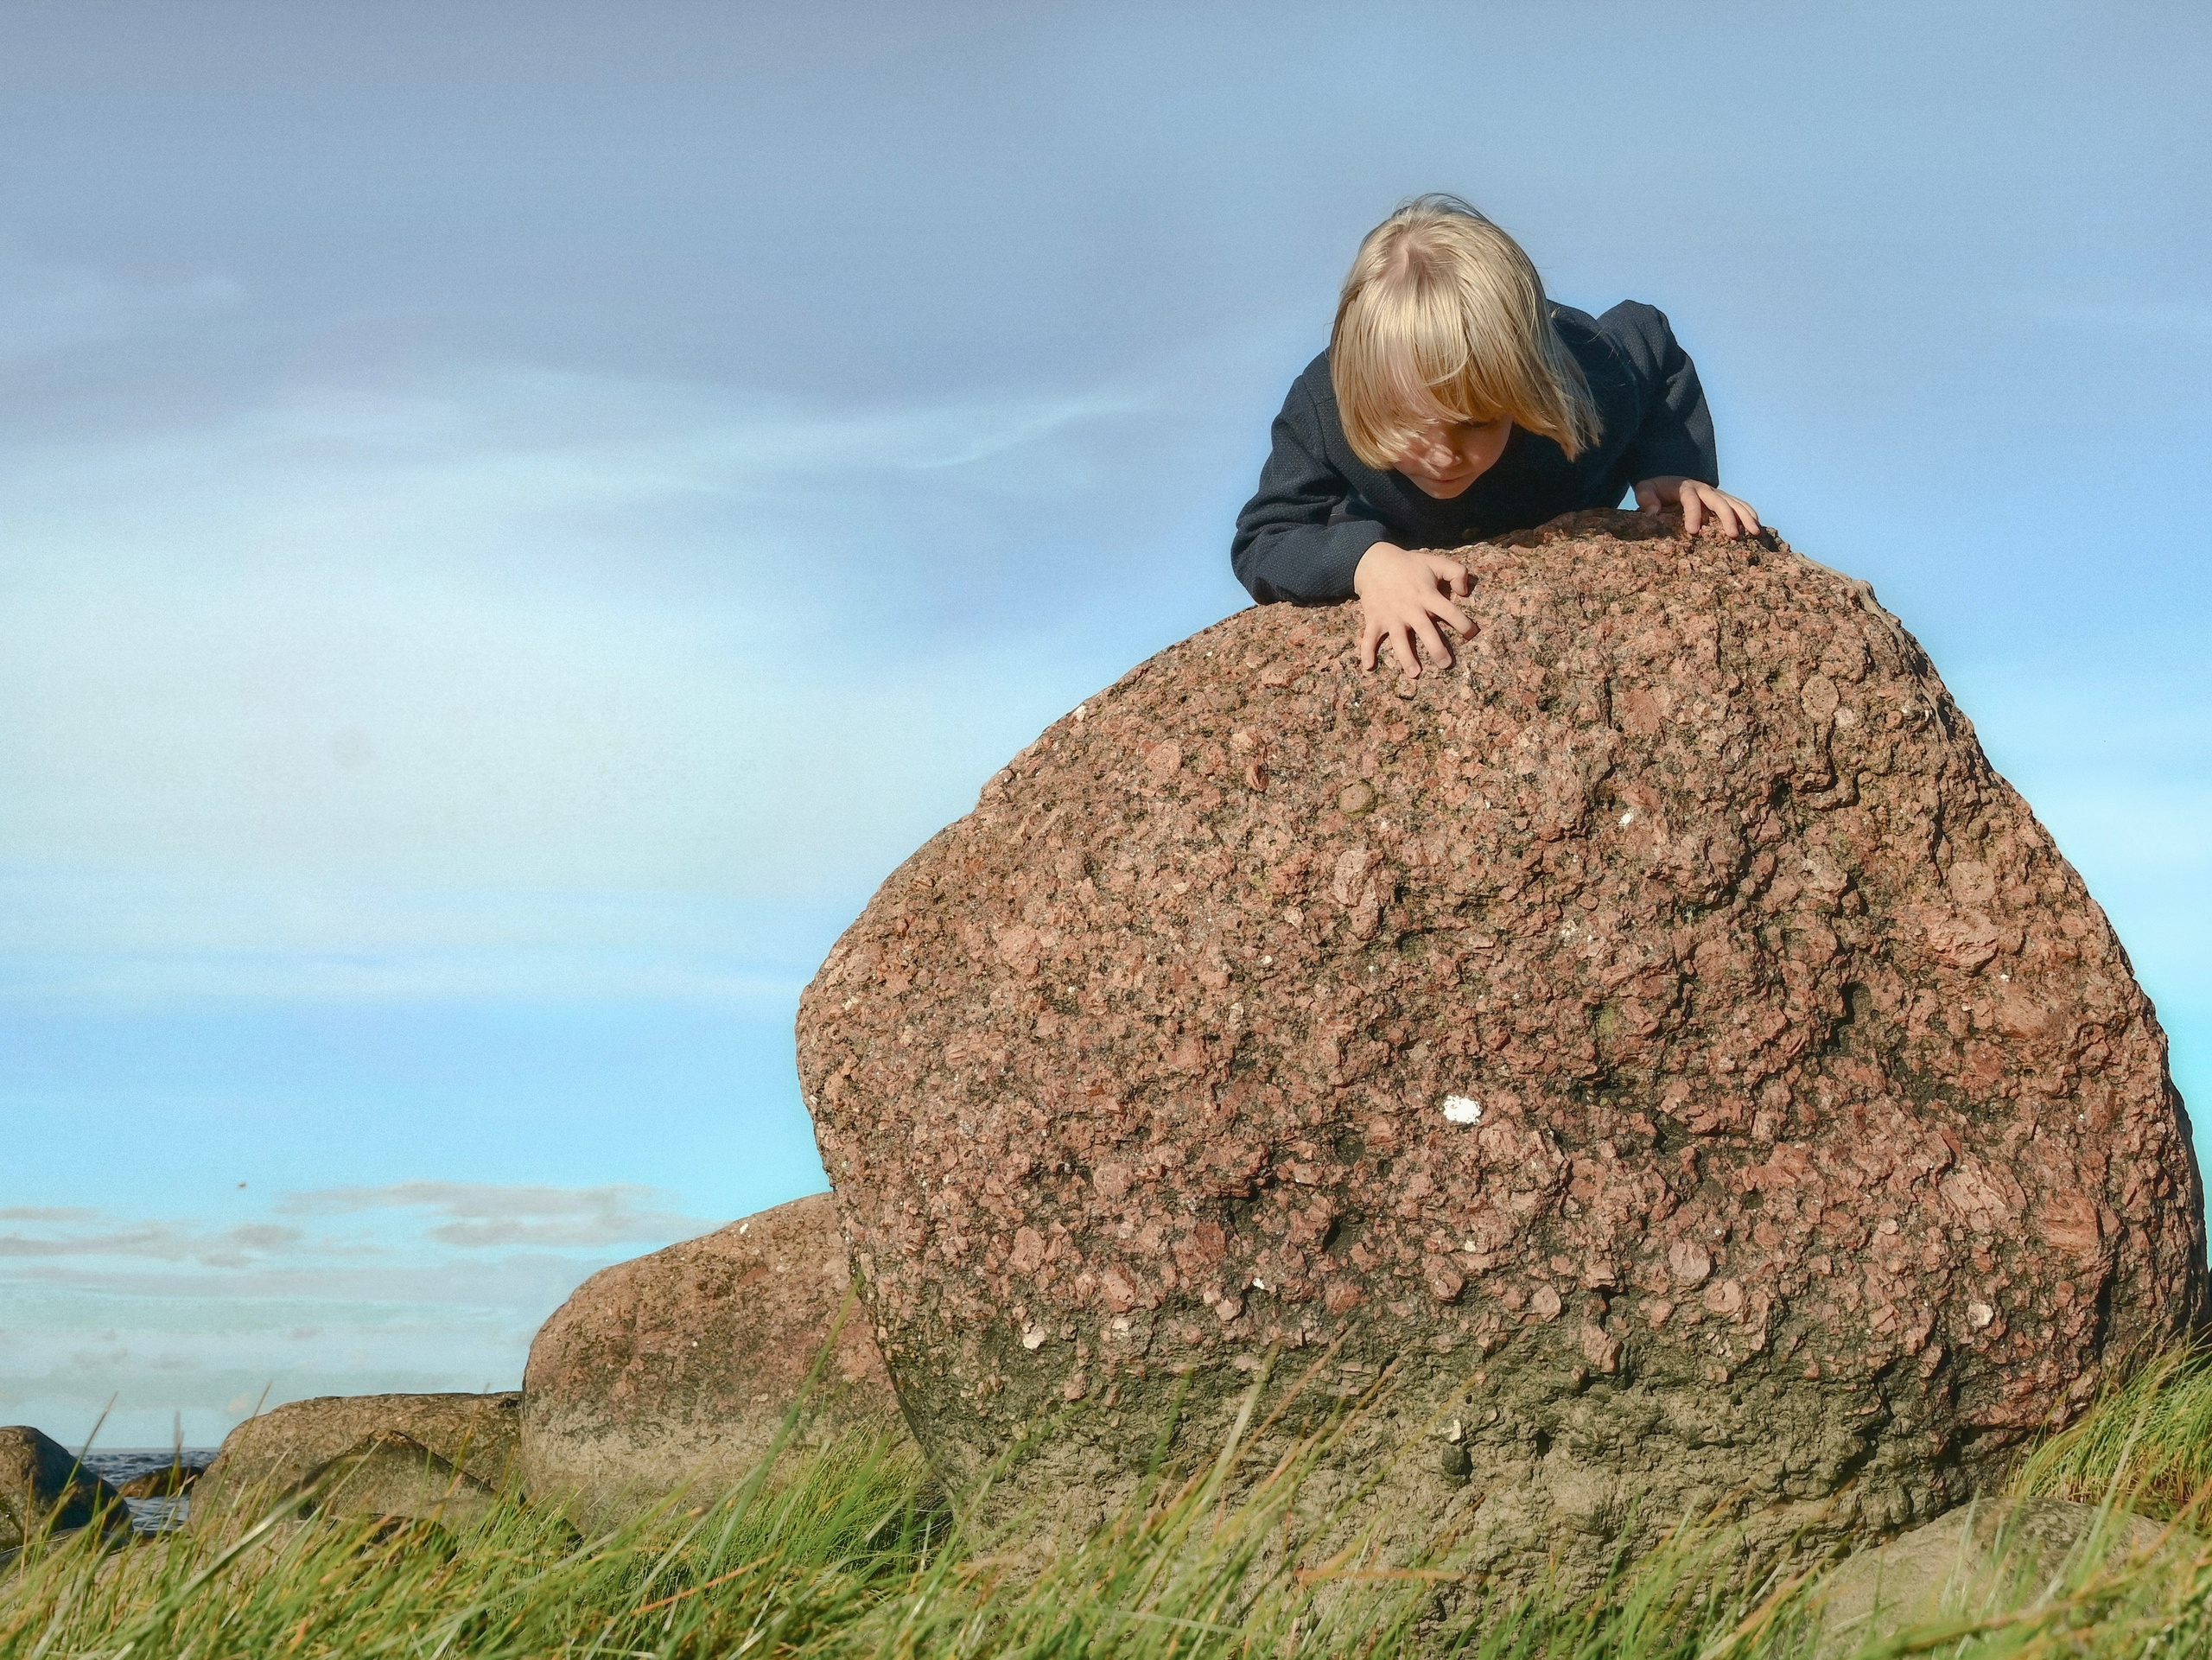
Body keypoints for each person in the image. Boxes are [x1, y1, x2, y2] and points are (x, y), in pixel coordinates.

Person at [1230, 194, 1762, 679]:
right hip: (1397, 533)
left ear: (1530, 384)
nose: (1443, 454)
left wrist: (1671, 464)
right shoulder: (1326, 404)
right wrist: (1367, 562)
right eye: (1410, 425)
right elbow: (1264, 539)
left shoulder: (1594, 377)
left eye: (1475, 421)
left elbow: (1651, 338)